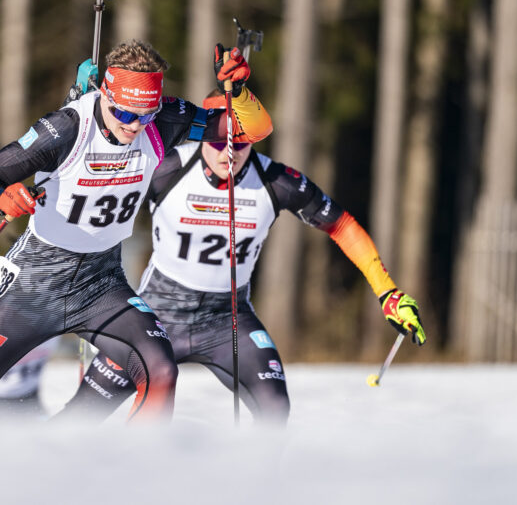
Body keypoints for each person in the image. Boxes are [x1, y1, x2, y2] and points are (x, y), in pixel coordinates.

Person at [0, 40, 273, 421]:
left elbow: (249, 129)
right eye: (123, 111)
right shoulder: (66, 128)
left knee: (161, 371)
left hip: (102, 284)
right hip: (36, 286)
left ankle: (130, 471)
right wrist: (4, 198)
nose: (133, 125)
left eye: (145, 115)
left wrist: (239, 91)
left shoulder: (167, 119)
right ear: (105, 92)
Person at [60, 91, 426, 423]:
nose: (228, 152)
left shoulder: (275, 181)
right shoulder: (167, 165)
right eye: (218, 141)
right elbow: (99, 174)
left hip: (227, 321)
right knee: (83, 413)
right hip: (156, 316)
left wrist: (387, 292)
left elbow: (342, 226)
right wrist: (84, 110)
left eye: (240, 143)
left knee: (275, 411)